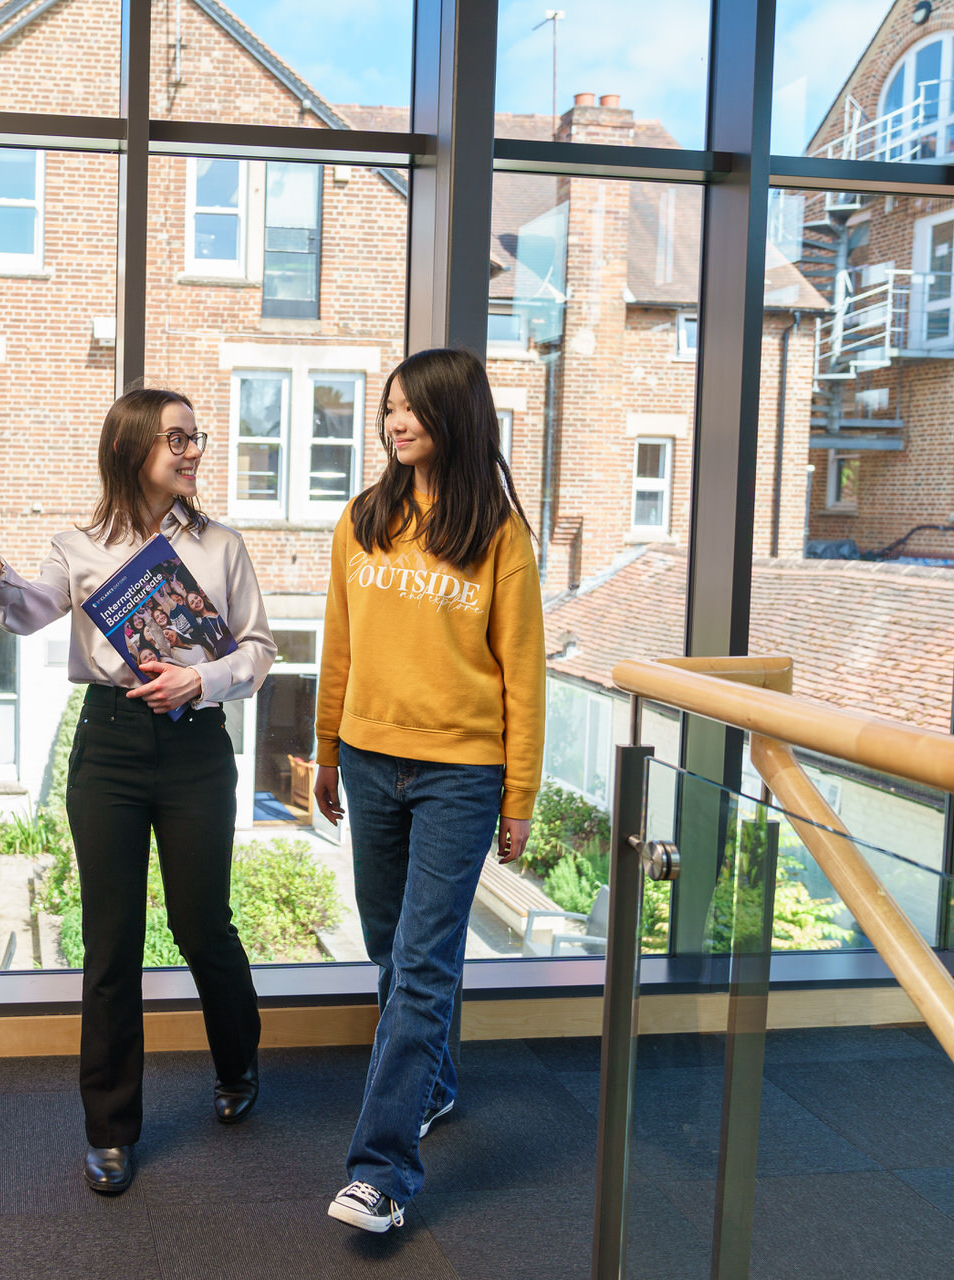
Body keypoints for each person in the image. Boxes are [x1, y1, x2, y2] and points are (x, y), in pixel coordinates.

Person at [0, 387, 276, 1197]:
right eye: (178, 440)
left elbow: (260, 651)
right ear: (132, 451)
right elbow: (27, 615)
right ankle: (110, 1132)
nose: (194, 452)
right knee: (112, 942)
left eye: (196, 439)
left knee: (204, 927)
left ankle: (239, 1064)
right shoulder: (80, 546)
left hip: (195, 748)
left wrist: (199, 679)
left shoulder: (224, 547)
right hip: (112, 748)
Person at [312, 348, 544, 1233]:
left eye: (411, 409)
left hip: (461, 776)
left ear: (455, 416)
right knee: (387, 946)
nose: (394, 422)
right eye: (390, 409)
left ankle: (382, 1172)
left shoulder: (498, 538)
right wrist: (326, 749)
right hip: (369, 762)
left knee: (422, 963)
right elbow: (339, 646)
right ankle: (434, 1085)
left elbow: (524, 677)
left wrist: (518, 795)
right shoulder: (364, 519)